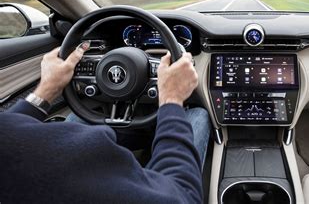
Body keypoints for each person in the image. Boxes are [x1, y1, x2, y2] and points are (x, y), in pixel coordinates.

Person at [0, 43, 210, 203]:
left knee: (83, 117)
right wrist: (171, 99)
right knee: (198, 115)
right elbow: (183, 195)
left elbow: (9, 127)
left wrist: (47, 88)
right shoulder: (61, 168)